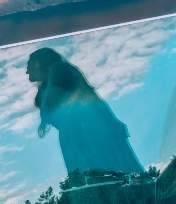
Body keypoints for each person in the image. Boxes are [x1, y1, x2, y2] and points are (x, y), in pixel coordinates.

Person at [27, 47, 144, 175]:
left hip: (88, 128)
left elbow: (90, 96)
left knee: (108, 170)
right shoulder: (44, 89)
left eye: (29, 65)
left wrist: (111, 122)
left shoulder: (58, 69)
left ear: (37, 63)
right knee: (90, 176)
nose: (27, 71)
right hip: (72, 135)